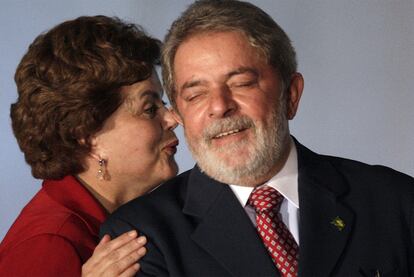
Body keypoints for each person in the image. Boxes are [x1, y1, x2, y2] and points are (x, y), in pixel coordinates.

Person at [101, 0, 414, 276]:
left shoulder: (395, 201)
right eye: (196, 94)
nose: (220, 106)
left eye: (242, 83)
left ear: (290, 95)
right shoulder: (140, 237)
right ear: (179, 114)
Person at [0, 15, 179, 276]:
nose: (173, 118)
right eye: (150, 108)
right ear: (87, 136)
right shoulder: (49, 245)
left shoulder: (126, 217)